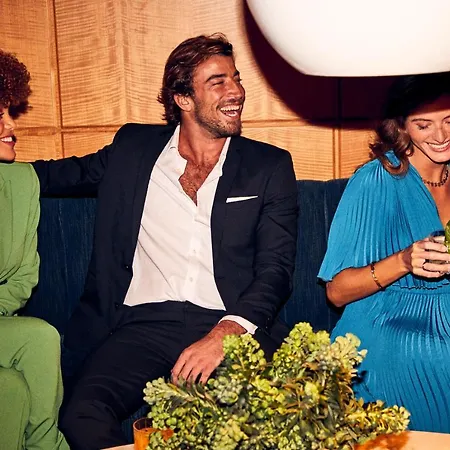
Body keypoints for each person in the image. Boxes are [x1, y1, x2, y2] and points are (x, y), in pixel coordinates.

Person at [32, 33, 298, 449]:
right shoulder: (133, 149)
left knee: (233, 424)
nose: (236, 92)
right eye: (218, 82)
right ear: (183, 99)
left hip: (228, 321)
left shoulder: (269, 166)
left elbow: (275, 271)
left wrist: (225, 333)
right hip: (143, 324)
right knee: (81, 414)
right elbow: (52, 176)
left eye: (236, 78)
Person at [319, 72, 450, 433]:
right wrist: (404, 261)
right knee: (435, 359)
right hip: (391, 325)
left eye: (449, 121)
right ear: (402, 126)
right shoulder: (376, 180)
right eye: (424, 125)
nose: (441, 136)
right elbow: (336, 291)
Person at [0, 50, 69, 450]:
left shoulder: (22, 181)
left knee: (40, 337)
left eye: (9, 111)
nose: (11, 125)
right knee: (8, 387)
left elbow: (24, 276)